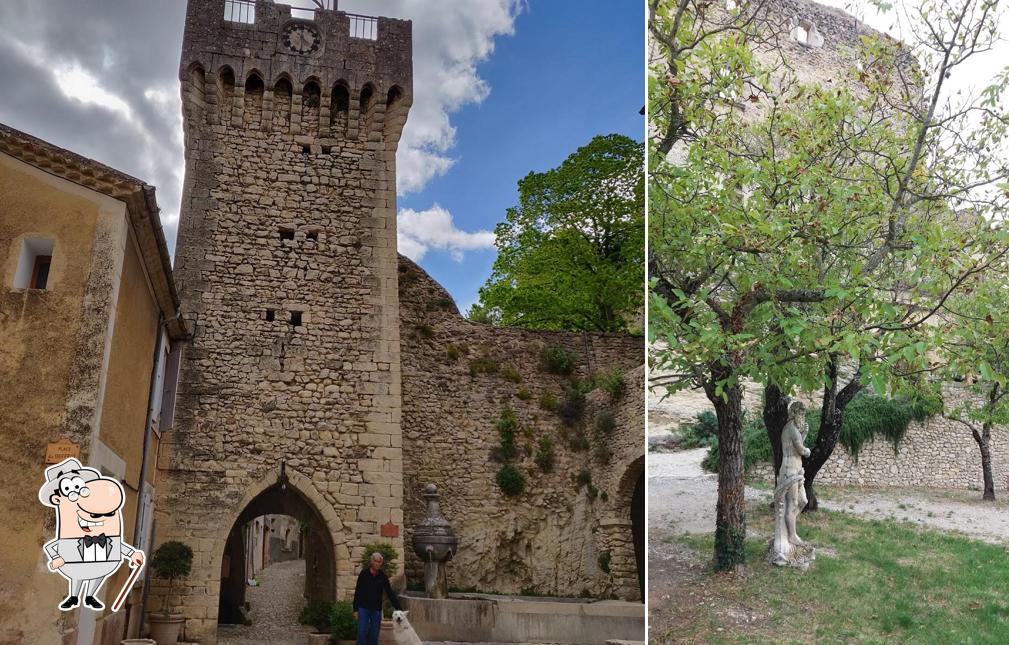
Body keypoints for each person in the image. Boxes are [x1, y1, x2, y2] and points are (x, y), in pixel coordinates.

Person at [353, 552, 402, 645]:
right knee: (361, 633)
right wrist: (355, 609)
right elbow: (358, 591)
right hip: (363, 608)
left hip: (376, 610)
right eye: (376, 561)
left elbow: (390, 593)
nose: (377, 564)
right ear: (372, 562)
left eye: (379, 562)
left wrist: (399, 608)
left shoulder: (382, 576)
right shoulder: (364, 574)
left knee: (374, 636)